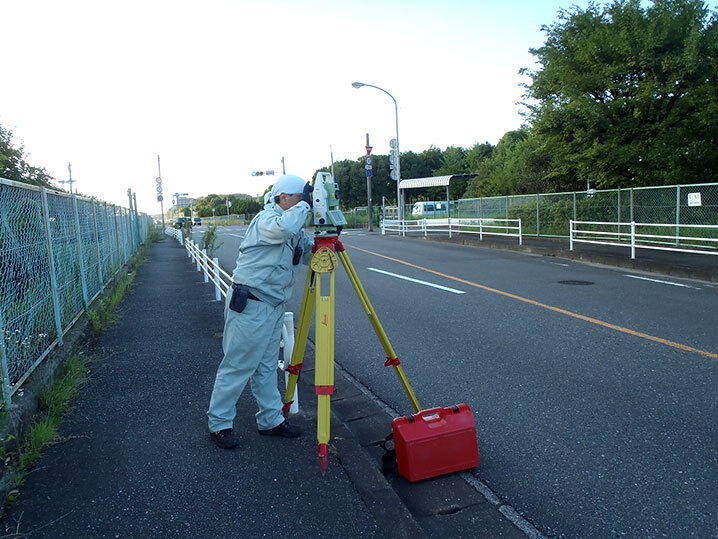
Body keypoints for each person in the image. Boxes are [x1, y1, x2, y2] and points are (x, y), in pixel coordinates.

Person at [207, 174, 314, 449]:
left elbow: (307, 250)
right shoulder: (267, 220)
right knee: (237, 365)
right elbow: (285, 229)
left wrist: (329, 236)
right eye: (301, 198)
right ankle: (219, 424)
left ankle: (271, 420)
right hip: (252, 303)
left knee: (266, 367)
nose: (305, 204)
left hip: (273, 305)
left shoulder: (291, 226)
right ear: (284, 198)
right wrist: (306, 207)